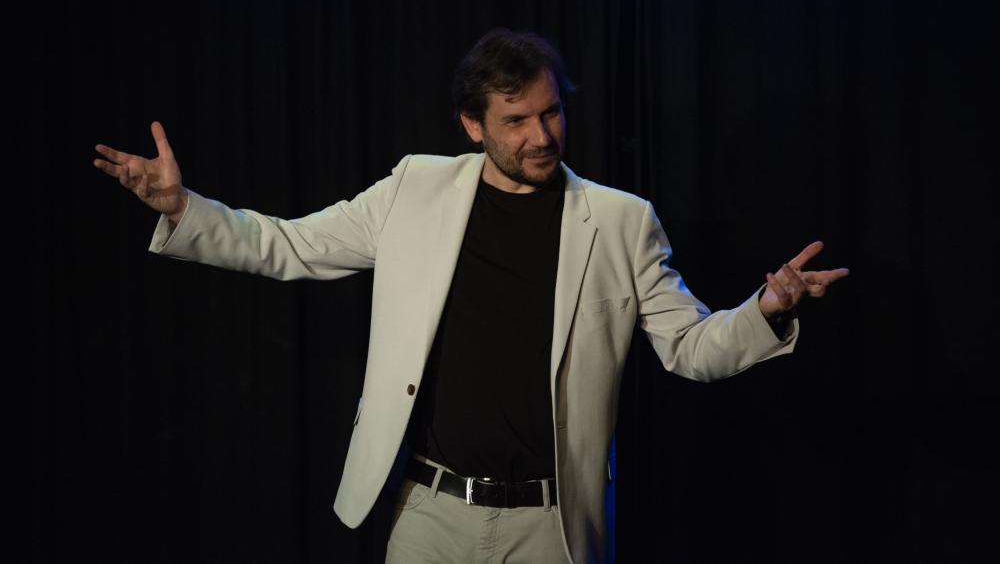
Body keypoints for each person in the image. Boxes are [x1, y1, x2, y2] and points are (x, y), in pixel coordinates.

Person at [93, 28, 849, 563]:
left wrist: (765, 309)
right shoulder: (415, 187)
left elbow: (689, 348)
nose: (541, 136)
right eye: (516, 121)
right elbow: (289, 246)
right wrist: (183, 207)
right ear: (472, 125)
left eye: (550, 112)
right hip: (430, 513)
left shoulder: (622, 221)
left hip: (553, 524)